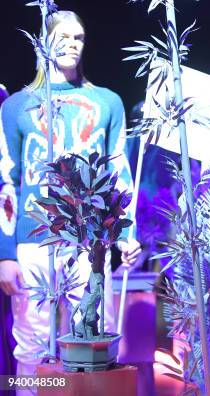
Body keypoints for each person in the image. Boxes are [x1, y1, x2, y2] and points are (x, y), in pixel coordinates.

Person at [0, 10, 141, 383]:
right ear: (43, 42)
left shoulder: (106, 102)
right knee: (31, 344)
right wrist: (5, 253)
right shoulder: (15, 106)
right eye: (61, 36)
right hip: (32, 240)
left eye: (77, 37)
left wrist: (126, 235)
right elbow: (7, 181)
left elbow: (118, 171)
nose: (70, 43)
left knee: (96, 340)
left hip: (89, 242)